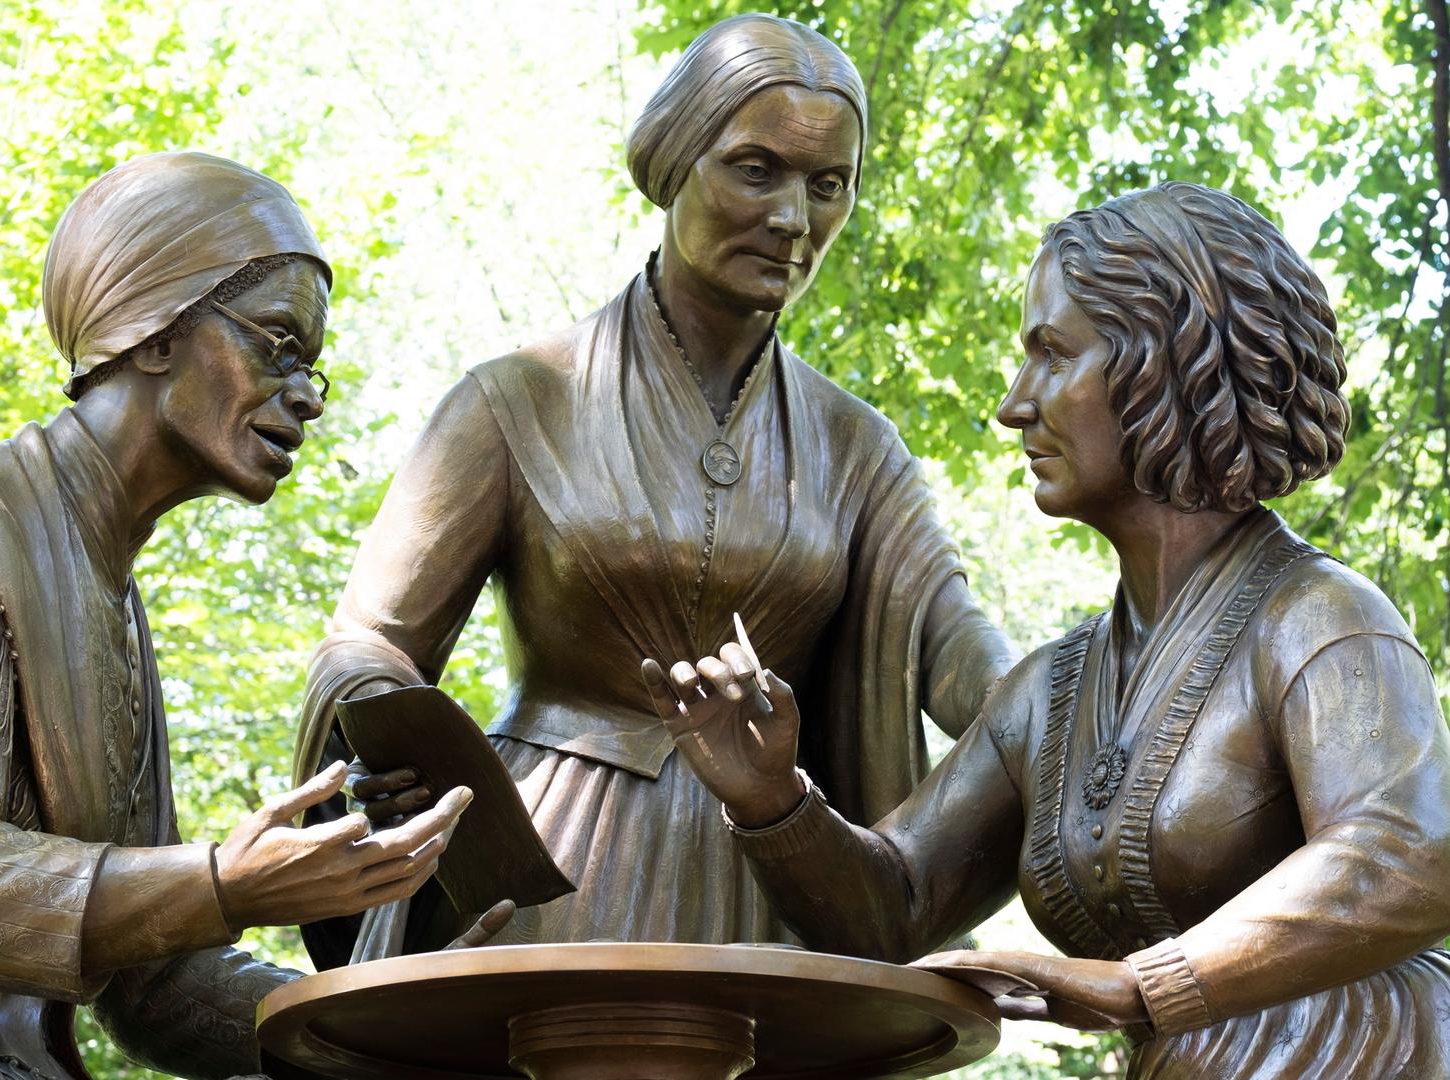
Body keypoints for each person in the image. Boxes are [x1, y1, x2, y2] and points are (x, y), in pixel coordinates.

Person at [643, 182, 1450, 1077]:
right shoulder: (1053, 691)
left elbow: (1406, 856)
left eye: (1052, 354)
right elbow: (897, 903)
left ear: (1166, 365)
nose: (1014, 402)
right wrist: (772, 797)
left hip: (1375, 1053)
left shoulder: (1321, 617)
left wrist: (1142, 988)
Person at [0, 151, 484, 1080]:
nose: (305, 393)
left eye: (313, 367)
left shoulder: (110, 595)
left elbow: (154, 982)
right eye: (276, 343)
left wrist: (379, 1018)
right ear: (153, 334)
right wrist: (221, 881)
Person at [295, 13, 1017, 962]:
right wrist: (403, 746)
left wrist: (1082, 712)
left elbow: (954, 644)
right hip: (548, 866)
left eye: (827, 184)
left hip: (774, 874)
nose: (794, 219)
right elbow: (370, 639)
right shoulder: (518, 399)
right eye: (756, 170)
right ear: (675, 163)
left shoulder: (858, 449)